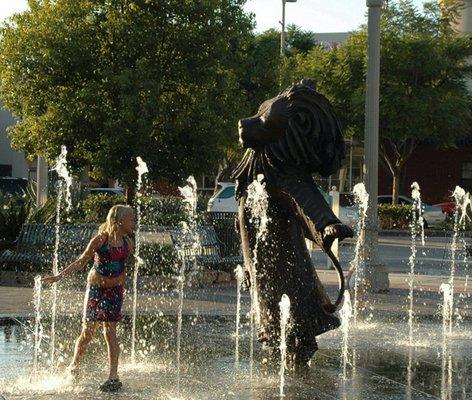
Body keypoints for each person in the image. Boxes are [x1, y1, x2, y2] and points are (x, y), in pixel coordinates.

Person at [44, 204, 135, 392]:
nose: (134, 222)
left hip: (115, 292)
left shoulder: (128, 243)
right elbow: (81, 261)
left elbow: (122, 267)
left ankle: (113, 377)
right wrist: (59, 276)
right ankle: (74, 367)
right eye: (131, 219)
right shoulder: (101, 240)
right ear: (118, 221)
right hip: (96, 289)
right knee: (88, 332)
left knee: (110, 333)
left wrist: (122, 287)